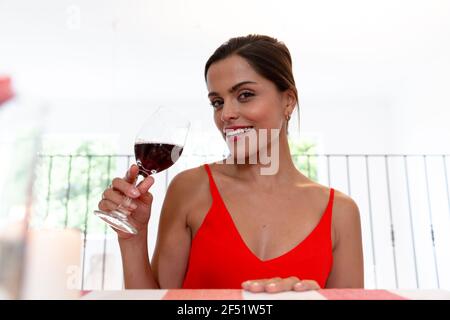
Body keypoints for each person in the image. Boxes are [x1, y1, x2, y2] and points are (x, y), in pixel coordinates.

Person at [97, 34, 364, 293]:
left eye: (245, 94)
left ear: (288, 101)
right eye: (217, 102)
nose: (226, 114)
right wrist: (132, 237)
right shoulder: (190, 189)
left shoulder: (340, 213)